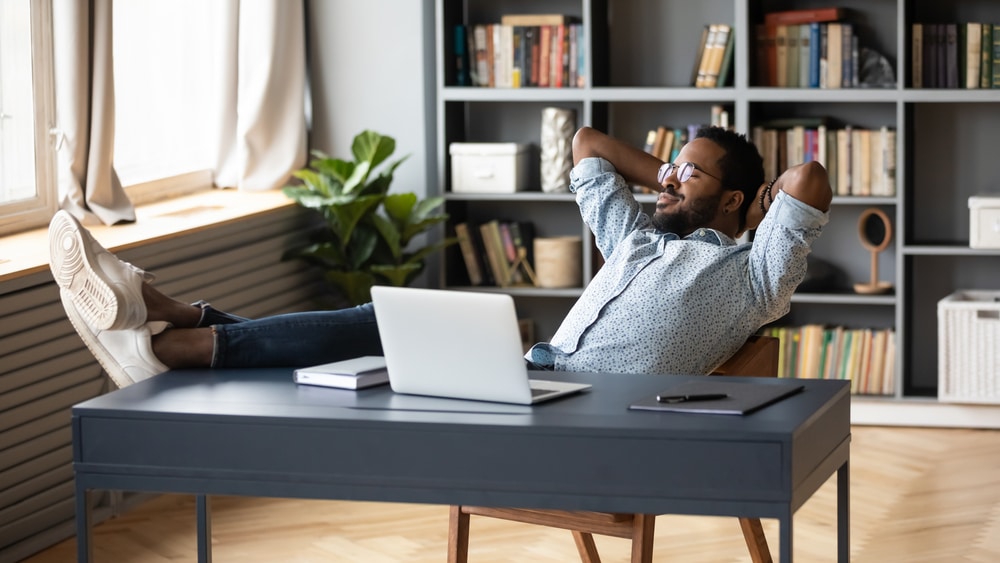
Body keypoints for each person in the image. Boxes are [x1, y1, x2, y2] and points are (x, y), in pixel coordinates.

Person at [49, 125, 831, 389]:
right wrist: (670, 175)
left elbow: (810, 179)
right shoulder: (634, 236)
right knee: (388, 318)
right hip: (538, 374)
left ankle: (172, 329)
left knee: (384, 328)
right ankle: (178, 327)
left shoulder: (753, 276)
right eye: (669, 165)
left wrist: (759, 210)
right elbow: (588, 145)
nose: (666, 176)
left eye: (690, 172)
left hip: (594, 411)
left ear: (734, 200)